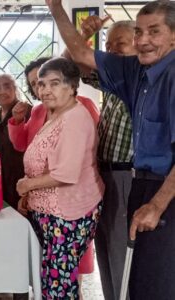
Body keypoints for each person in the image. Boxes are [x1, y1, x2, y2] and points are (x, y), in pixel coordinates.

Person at [47, 1, 175, 298]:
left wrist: (156, 205)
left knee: (158, 282)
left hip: (165, 188)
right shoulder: (135, 72)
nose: (142, 41)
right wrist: (55, 8)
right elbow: (78, 56)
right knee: (139, 278)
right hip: (139, 183)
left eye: (153, 32)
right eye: (139, 33)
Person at [16, 57, 104, 299]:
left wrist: (27, 186)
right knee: (54, 281)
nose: (45, 90)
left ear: (72, 86)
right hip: (49, 211)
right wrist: (31, 195)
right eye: (41, 84)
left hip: (67, 213)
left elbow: (66, 173)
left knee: (58, 286)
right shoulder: (56, 114)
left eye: (54, 84)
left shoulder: (75, 117)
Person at [74, 18, 137, 300]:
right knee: (106, 251)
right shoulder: (115, 80)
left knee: (124, 255)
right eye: (107, 46)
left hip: (129, 177)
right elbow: (71, 69)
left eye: (119, 44)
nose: (111, 51)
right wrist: (83, 35)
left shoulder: (142, 80)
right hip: (105, 176)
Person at [0, 74, 29, 208]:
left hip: (21, 180)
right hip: (2, 178)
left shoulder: (26, 111)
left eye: (7, 86)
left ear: (15, 89)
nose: (2, 91)